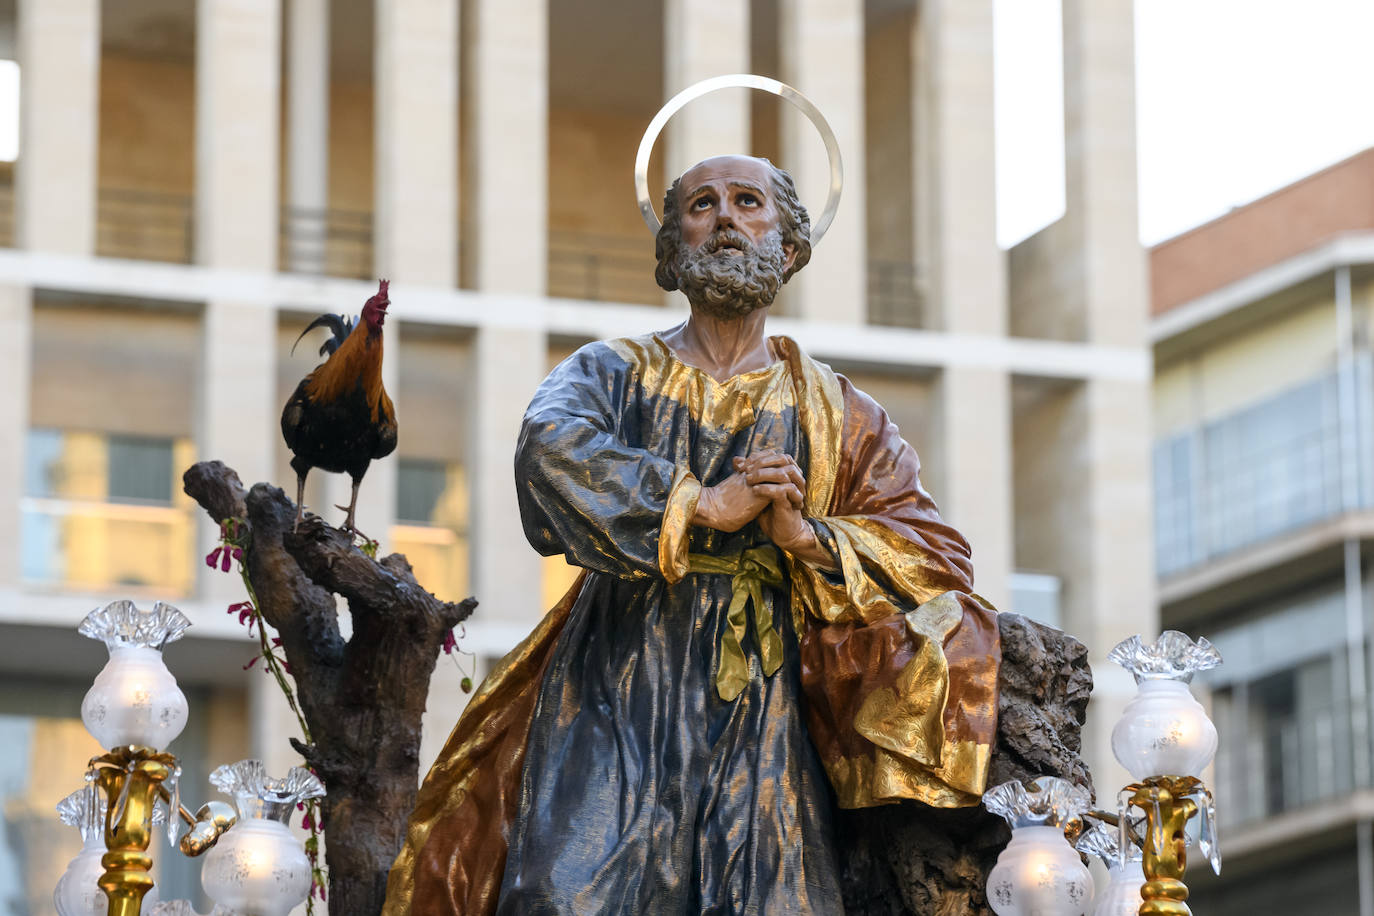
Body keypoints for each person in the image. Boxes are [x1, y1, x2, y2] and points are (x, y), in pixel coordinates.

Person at [382, 155, 1000, 916]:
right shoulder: (611, 371)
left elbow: (935, 556)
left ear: (791, 249)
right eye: (702, 206)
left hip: (766, 699)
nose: (727, 219)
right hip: (616, 674)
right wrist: (704, 505)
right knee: (564, 892)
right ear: (671, 250)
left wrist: (804, 535)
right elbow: (548, 449)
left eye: (749, 202)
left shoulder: (840, 410)